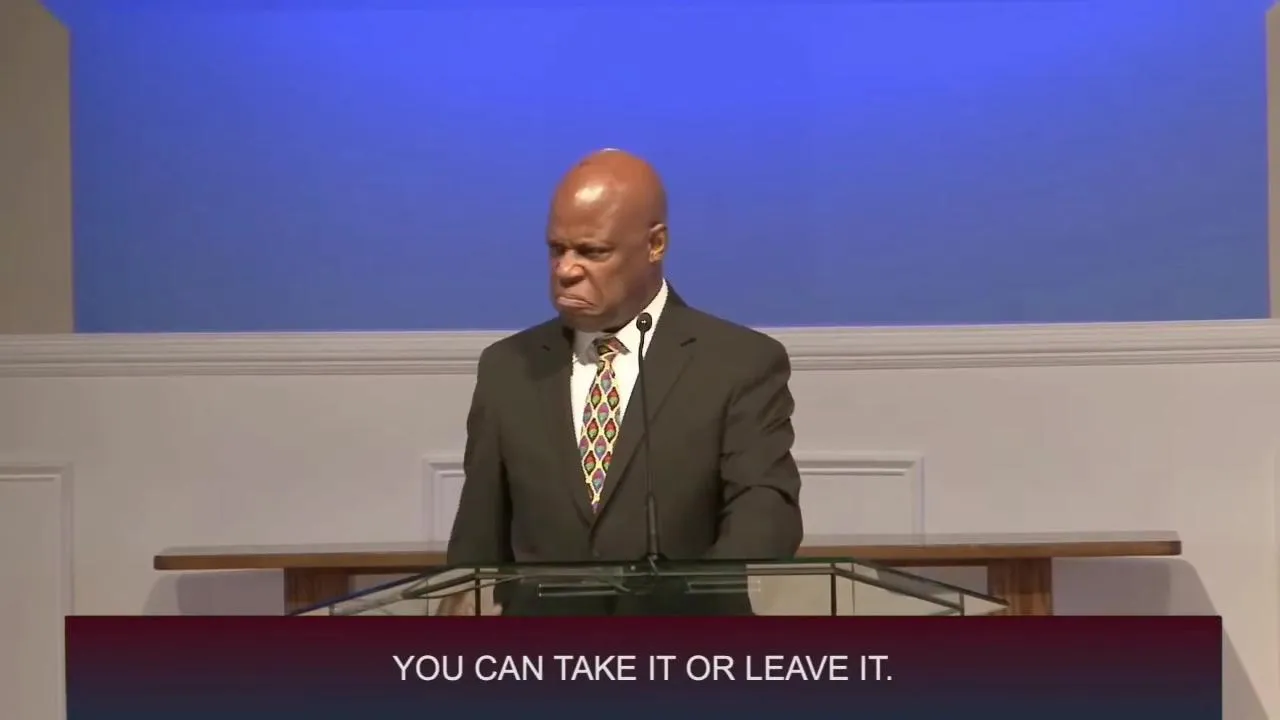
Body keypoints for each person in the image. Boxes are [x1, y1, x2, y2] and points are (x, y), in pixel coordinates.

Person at [440, 149, 803, 615]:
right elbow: (477, 535)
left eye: (592, 252)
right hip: (542, 650)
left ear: (655, 245)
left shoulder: (738, 363)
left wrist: (697, 609)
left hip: (685, 646)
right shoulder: (508, 368)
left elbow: (767, 511)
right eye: (557, 249)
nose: (566, 270)